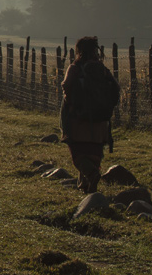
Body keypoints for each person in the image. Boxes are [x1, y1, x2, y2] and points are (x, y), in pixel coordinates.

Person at [60, 36, 120, 194]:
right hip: (100, 121)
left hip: (78, 119)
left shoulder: (76, 67)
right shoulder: (102, 70)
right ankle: (86, 187)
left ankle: (92, 176)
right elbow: (115, 89)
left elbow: (66, 85)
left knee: (78, 153)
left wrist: (72, 102)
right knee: (93, 153)